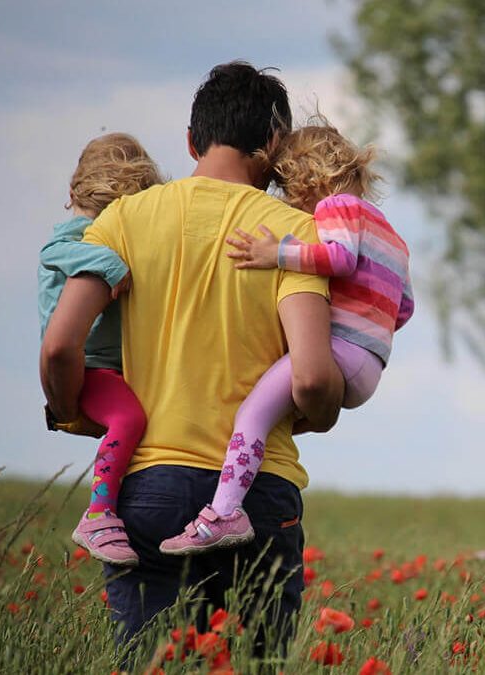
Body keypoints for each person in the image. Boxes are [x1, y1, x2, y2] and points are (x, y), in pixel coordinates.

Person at [40, 61, 344, 647]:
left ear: (190, 140)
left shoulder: (121, 220)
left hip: (148, 488)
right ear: (275, 144)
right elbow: (310, 378)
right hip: (258, 494)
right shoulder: (294, 234)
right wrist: (323, 411)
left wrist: (71, 409)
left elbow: (59, 345)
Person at [160, 122, 414, 554]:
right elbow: (404, 307)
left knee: (252, 414)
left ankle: (224, 512)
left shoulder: (337, 207)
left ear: (307, 178)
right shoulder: (392, 234)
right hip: (371, 364)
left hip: (340, 351)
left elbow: (338, 257)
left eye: (287, 187)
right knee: (274, 413)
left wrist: (275, 253)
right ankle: (238, 490)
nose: (289, 201)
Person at [38, 133, 163, 566]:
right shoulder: (79, 236)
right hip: (89, 366)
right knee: (129, 417)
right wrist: (111, 264)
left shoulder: (100, 231)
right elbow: (55, 251)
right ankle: (99, 513)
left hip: (108, 367)